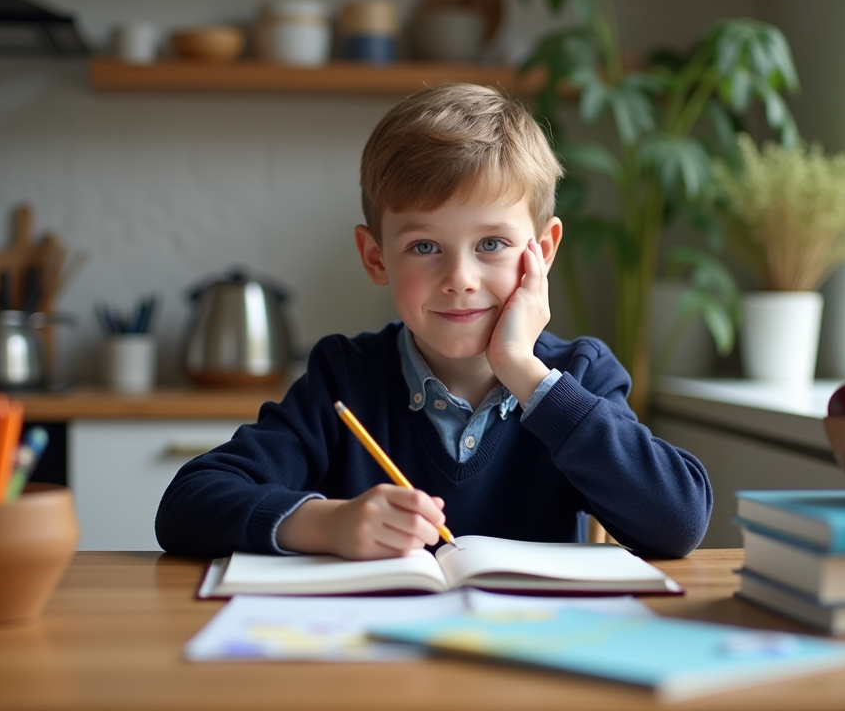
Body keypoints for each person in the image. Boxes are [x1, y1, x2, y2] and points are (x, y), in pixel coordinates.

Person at [155, 83, 712, 561]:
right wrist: (327, 525)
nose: (460, 278)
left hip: (531, 662)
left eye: (491, 243)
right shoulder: (344, 378)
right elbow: (188, 503)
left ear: (542, 250)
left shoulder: (578, 376)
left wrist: (524, 373)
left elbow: (678, 521)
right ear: (376, 258)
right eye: (425, 246)